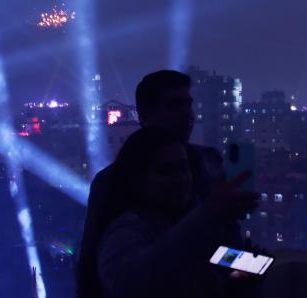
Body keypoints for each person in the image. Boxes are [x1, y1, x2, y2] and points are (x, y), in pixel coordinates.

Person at [77, 69, 256, 297]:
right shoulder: (113, 189)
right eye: (173, 105)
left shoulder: (207, 164)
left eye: (188, 104)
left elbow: (216, 249)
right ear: (144, 115)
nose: (186, 114)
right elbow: (111, 269)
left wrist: (247, 266)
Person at [88, 126, 255, 298]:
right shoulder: (122, 233)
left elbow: (212, 263)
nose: (180, 179)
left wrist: (248, 267)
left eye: (184, 168)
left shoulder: (185, 219)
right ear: (137, 178)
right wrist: (209, 213)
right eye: (166, 171)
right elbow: (135, 283)